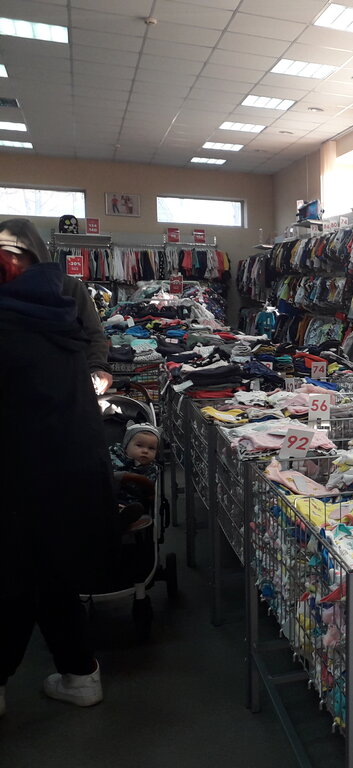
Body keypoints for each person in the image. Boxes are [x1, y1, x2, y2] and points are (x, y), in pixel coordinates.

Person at [0, 219, 117, 715]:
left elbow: (96, 343)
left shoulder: (60, 295)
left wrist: (96, 374)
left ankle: (74, 672)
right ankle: (79, 672)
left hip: (26, 459)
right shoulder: (60, 294)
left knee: (21, 571)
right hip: (69, 447)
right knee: (47, 570)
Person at [0, 219, 113, 393]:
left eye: (20, 255)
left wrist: (98, 367)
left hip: (65, 385)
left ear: (35, 256)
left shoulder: (68, 287)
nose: (14, 262)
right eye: (6, 256)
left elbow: (93, 333)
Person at [110, 424, 161, 531]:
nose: (145, 451)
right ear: (126, 446)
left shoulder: (151, 468)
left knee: (135, 507)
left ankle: (123, 517)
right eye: (139, 445)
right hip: (109, 494)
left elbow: (148, 490)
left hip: (131, 501)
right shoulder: (113, 456)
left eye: (151, 448)